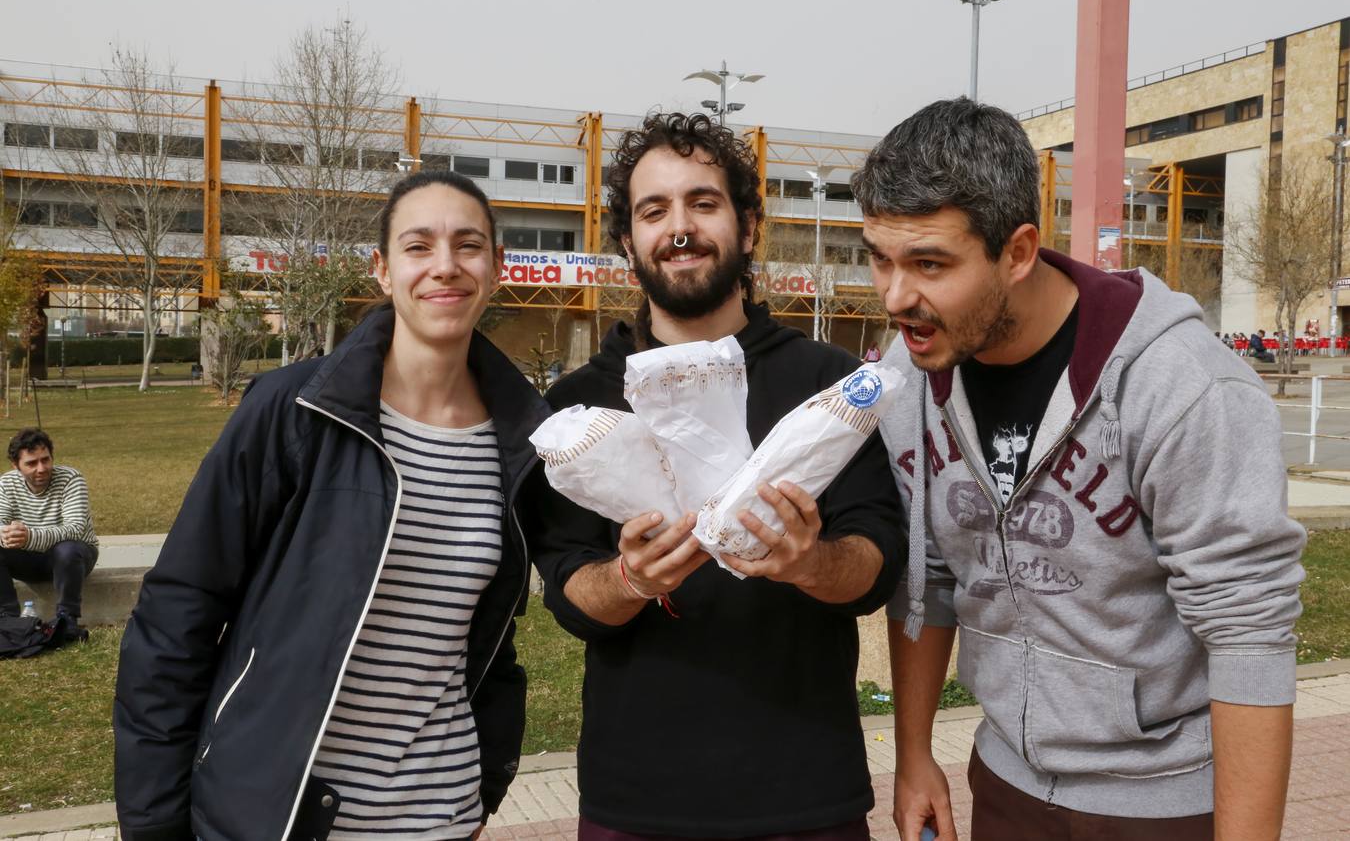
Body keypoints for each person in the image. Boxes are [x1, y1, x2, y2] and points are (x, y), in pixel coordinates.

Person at [852, 98, 1305, 841]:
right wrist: (912, 755)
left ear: (1019, 251)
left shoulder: (1178, 384)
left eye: (930, 264)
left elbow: (1249, 634)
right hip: (1005, 782)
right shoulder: (912, 369)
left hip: (1163, 802)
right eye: (880, 257)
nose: (897, 297)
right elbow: (928, 578)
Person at [114, 170, 552, 841]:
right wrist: (155, 825)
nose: (445, 265)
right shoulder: (294, 413)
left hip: (446, 816)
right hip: (285, 819)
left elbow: (490, 638)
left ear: (497, 268)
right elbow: (177, 618)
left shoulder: (521, 440)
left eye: (469, 245)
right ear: (381, 270)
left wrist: (486, 780)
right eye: (418, 246)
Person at [523, 112, 903, 840]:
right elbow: (567, 594)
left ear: (749, 226)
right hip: (635, 804)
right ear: (628, 241)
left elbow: (877, 567)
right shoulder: (575, 409)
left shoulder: (829, 390)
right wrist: (630, 580)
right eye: (654, 210)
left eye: (703, 202)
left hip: (805, 798)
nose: (680, 227)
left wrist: (809, 562)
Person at [0, 428, 97, 636]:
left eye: (46, 460)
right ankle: (7, 620)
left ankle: (67, 619)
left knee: (67, 550)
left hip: (73, 557)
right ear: (15, 466)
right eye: (31, 463)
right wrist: (6, 533)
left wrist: (29, 537)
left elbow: (75, 529)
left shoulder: (71, 479)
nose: (42, 468)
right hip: (29, 558)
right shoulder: (7, 483)